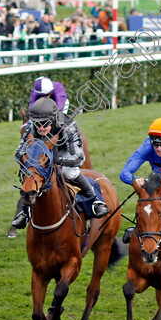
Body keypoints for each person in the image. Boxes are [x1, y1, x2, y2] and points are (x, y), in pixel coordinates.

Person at [10, 97, 108, 229]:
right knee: (31, 175)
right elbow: (19, 152)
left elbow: (79, 157)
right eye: (37, 124)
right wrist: (28, 161)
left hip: (64, 154)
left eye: (45, 124)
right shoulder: (32, 125)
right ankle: (25, 213)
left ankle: (95, 201)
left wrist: (59, 161)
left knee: (69, 172)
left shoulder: (67, 126)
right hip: (42, 155)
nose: (41, 128)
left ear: (54, 118)